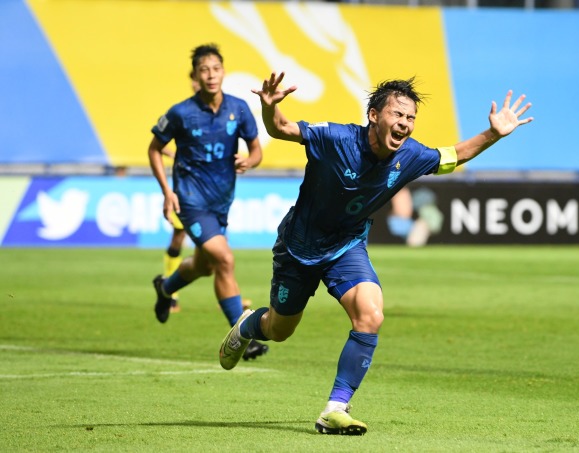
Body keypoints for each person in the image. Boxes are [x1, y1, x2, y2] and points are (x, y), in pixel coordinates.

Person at [218, 72, 533, 434]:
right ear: (373, 115)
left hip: (346, 247)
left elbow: (453, 156)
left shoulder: (409, 155)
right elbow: (283, 130)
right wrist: (269, 107)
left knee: (371, 314)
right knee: (279, 328)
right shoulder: (335, 137)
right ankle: (246, 325)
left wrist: (492, 134)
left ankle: (335, 408)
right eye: (398, 115)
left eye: (411, 118)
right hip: (298, 249)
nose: (405, 124)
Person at [148, 44, 268, 361]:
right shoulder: (180, 113)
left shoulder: (239, 109)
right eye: (204, 70)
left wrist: (250, 161)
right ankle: (242, 336)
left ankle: (165, 288)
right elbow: (153, 149)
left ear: (223, 72)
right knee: (225, 260)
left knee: (205, 265)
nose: (210, 75)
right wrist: (167, 191)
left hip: (221, 201)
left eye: (215, 68)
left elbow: (257, 151)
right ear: (196, 76)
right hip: (190, 199)